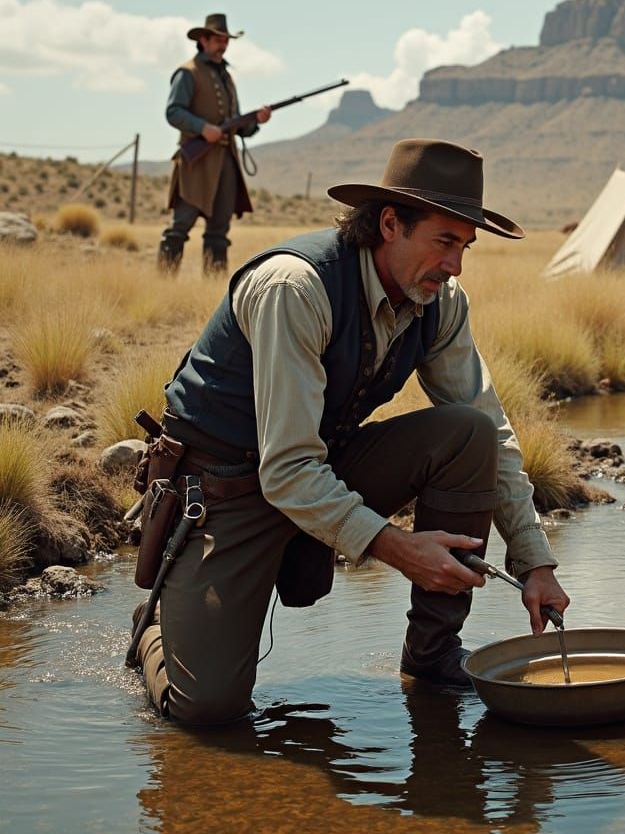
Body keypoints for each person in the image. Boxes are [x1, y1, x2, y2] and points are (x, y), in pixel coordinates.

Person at [133, 138, 570, 724]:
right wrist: (397, 547)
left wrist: (534, 561)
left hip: (317, 467)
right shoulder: (296, 288)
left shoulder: (440, 301)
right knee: (206, 712)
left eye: (465, 247)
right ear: (390, 223)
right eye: (444, 241)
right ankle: (157, 630)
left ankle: (433, 656)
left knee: (468, 435)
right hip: (223, 492)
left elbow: (490, 424)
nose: (456, 265)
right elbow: (285, 471)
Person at [158, 13, 272, 274]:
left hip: (225, 162)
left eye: (225, 40)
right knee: (179, 228)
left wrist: (257, 121)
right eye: (218, 39)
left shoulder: (227, 78)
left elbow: (238, 125)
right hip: (196, 163)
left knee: (219, 233)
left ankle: (214, 289)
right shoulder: (188, 73)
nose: (223, 45)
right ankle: (163, 283)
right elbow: (173, 112)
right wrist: (203, 128)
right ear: (203, 40)